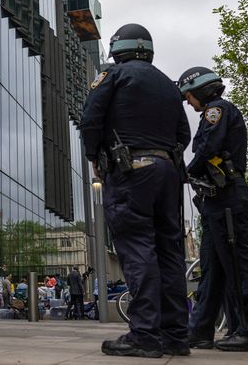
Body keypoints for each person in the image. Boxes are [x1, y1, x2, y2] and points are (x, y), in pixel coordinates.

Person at [80, 23, 191, 358]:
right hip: (168, 172)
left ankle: (144, 334)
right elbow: (183, 134)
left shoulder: (112, 76)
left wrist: (94, 157)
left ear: (118, 49)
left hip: (131, 171)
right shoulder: (168, 84)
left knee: (137, 248)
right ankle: (176, 334)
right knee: (170, 252)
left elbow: (90, 119)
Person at [178, 66, 248, 352]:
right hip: (215, 199)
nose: (189, 103)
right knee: (212, 267)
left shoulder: (216, 110)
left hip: (227, 195)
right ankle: (201, 329)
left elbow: (208, 149)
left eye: (189, 96)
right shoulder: (216, 111)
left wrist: (183, 172)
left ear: (201, 90)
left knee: (235, 263)